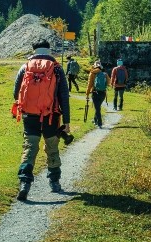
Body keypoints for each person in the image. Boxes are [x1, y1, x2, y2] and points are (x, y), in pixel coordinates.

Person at [12, 38, 72, 201]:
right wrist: (66, 121)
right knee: (52, 147)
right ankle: (54, 182)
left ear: (34, 50)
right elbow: (64, 96)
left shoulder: (25, 67)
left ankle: (25, 183)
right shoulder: (57, 69)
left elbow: (15, 92)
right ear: (48, 50)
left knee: (30, 147)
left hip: (29, 115)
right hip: (50, 116)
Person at [86, 60, 107, 127]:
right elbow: (109, 82)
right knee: (98, 107)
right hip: (103, 93)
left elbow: (89, 85)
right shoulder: (104, 73)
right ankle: (95, 120)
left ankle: (100, 123)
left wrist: (87, 94)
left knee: (97, 108)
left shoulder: (92, 73)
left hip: (95, 92)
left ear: (94, 66)